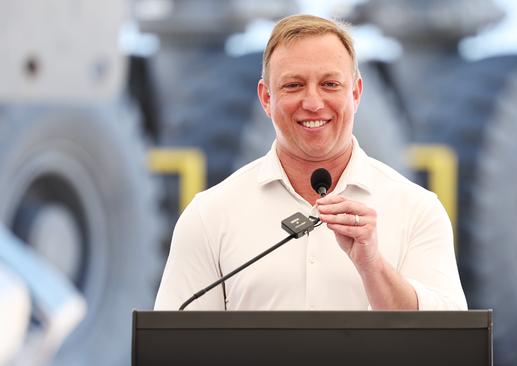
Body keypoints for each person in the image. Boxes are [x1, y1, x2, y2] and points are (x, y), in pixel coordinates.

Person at [154, 14, 467, 311]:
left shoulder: (418, 211)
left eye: (330, 84)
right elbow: (173, 342)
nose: (314, 103)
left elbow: (449, 342)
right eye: (293, 85)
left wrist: (373, 266)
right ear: (266, 98)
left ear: (356, 94)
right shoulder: (209, 215)